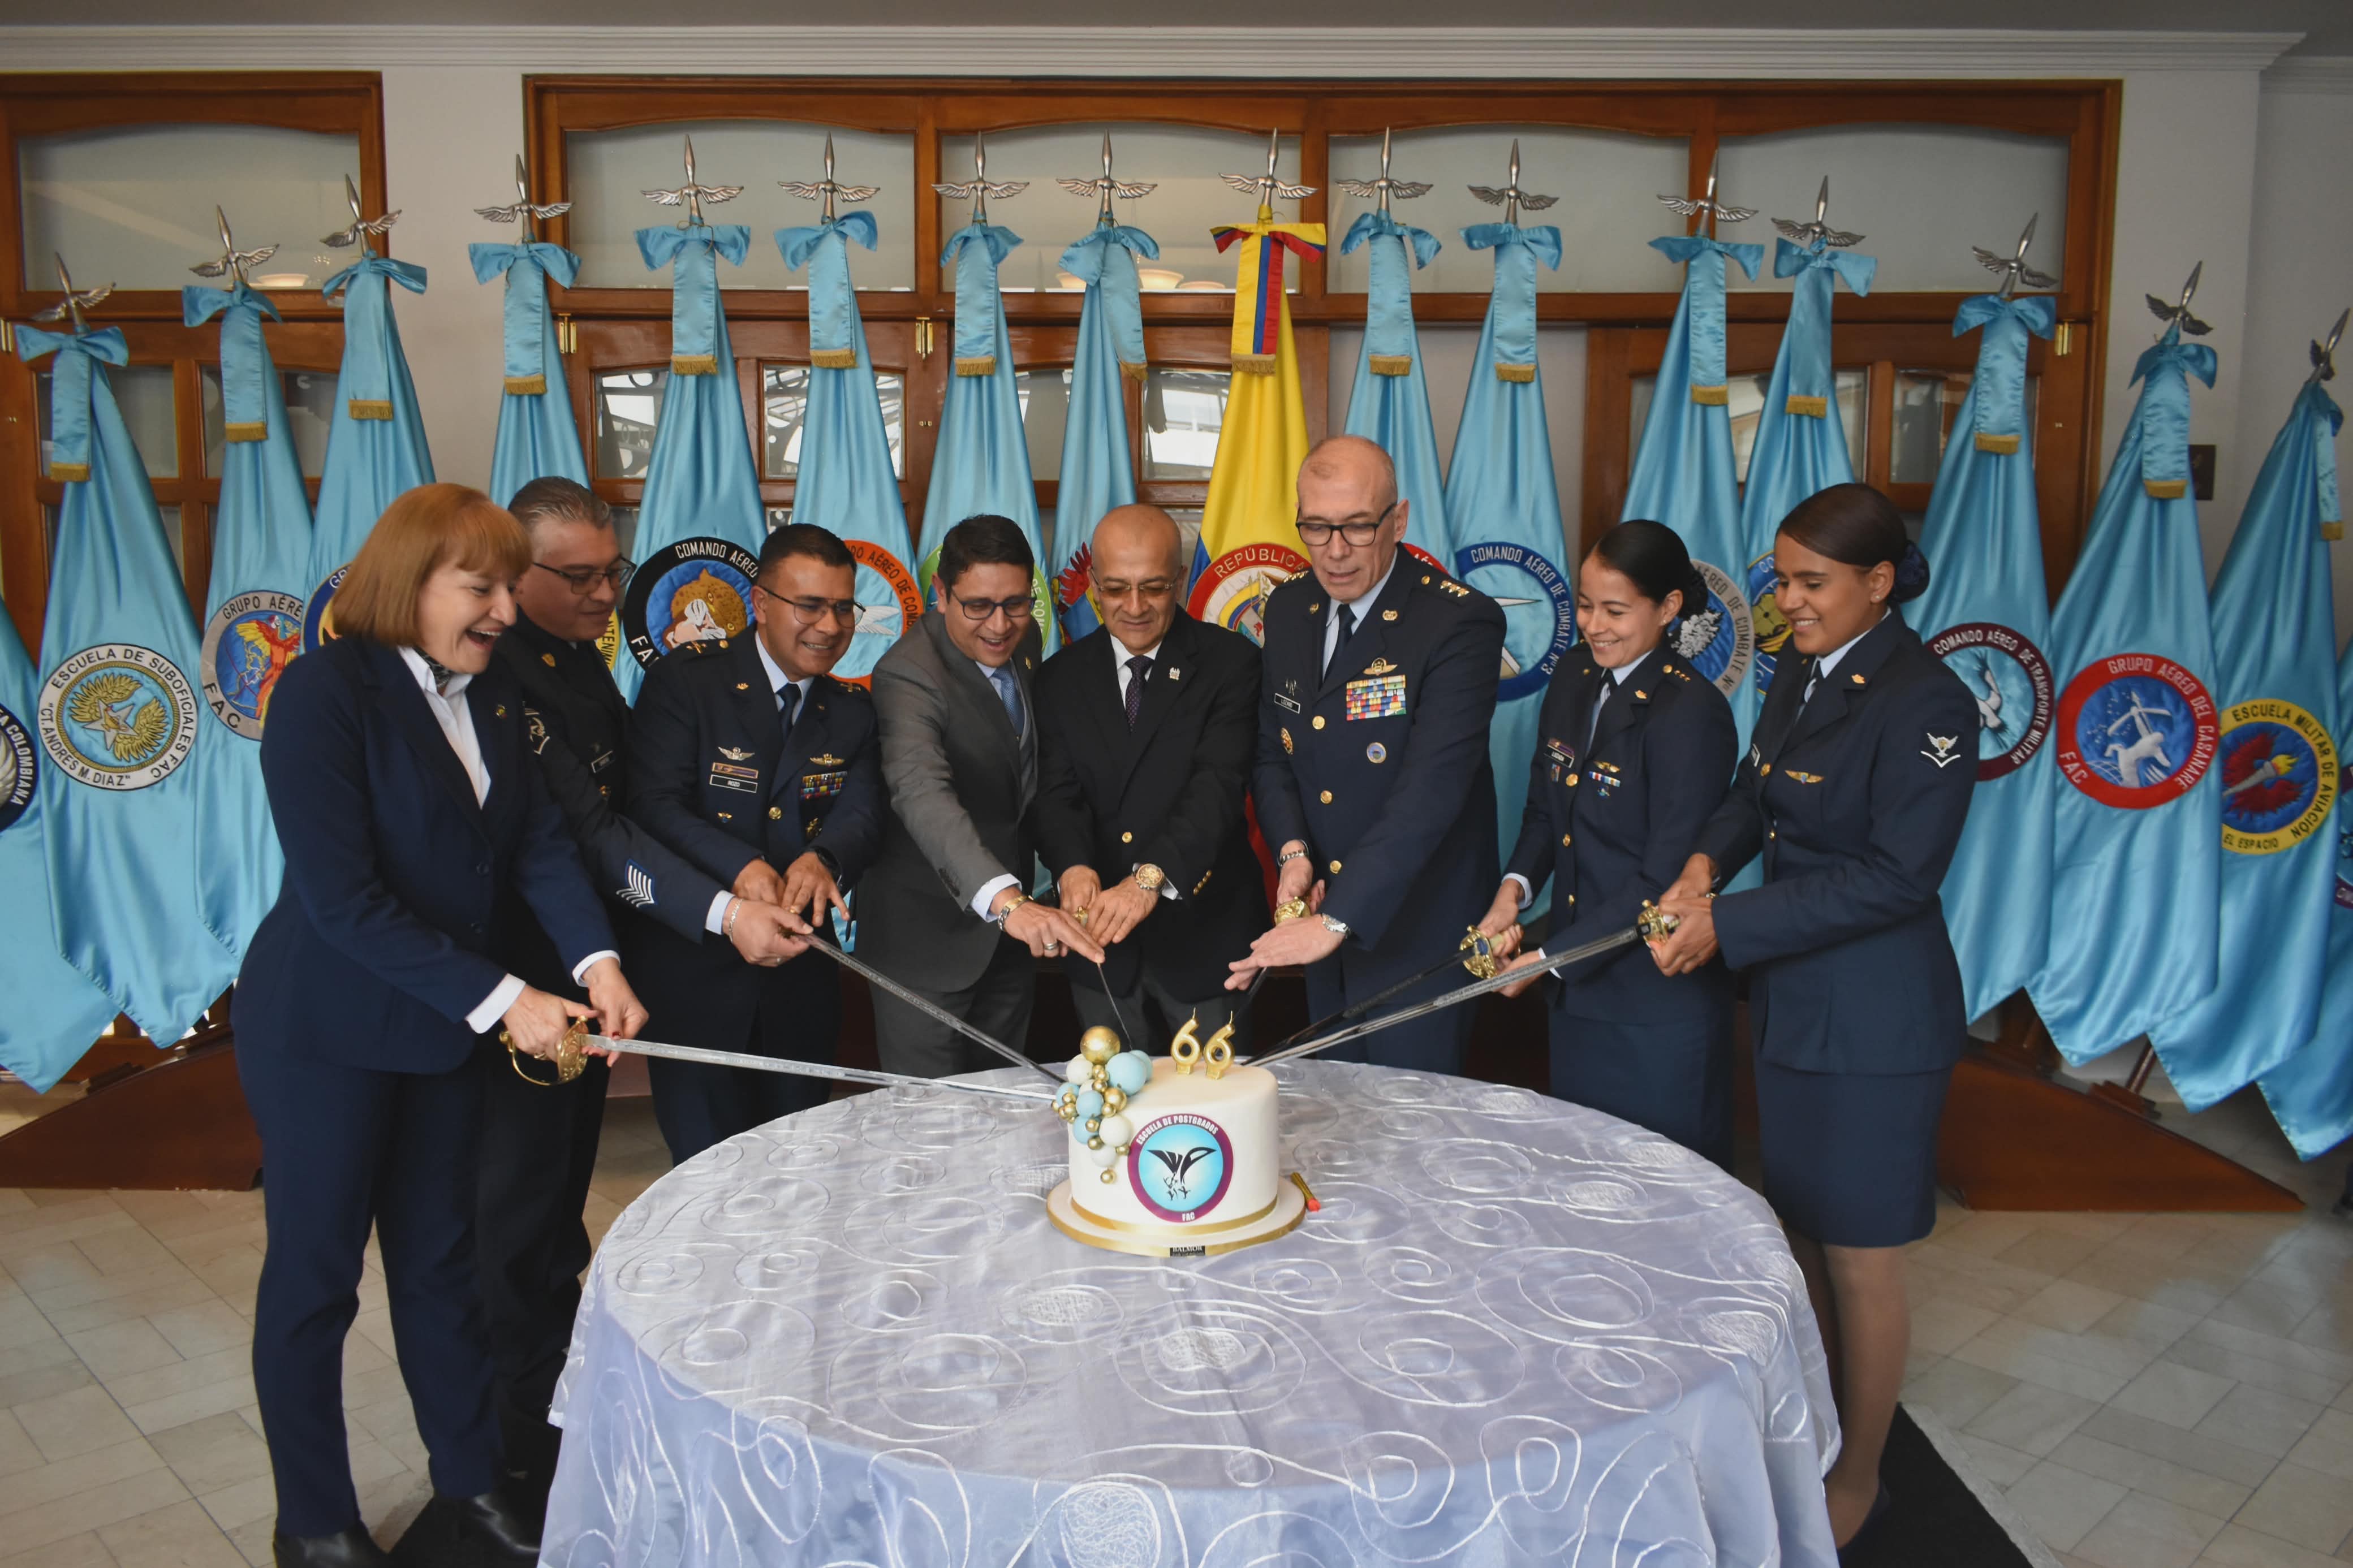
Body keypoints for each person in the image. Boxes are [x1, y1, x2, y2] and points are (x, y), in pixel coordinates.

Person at [235, 483, 646, 1568]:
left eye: (512, 586)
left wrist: (595, 961)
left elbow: (540, 844)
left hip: (441, 1034)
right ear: (409, 580)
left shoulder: (495, 693)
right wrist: (508, 997)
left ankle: (469, 1485)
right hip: (325, 1033)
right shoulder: (324, 693)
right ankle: (313, 1518)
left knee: (441, 1267)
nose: (507, 609)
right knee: (317, 1278)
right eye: (484, 586)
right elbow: (343, 900)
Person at [1646, 482, 1976, 1550]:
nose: (1787, 601)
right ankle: (1815, 1432)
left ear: (1879, 583)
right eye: (1781, 579)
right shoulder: (1800, 667)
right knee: (1795, 1233)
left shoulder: (1929, 702)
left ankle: (1862, 1478)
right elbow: (1756, 790)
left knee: (1860, 1253)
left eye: (1812, 582)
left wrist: (1725, 923)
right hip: (1793, 994)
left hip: (1876, 1016)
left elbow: (1896, 876)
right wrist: (1704, 864)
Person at [479, 478, 805, 1500]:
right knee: (515, 1214)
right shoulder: (507, 677)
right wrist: (717, 911)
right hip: (529, 977)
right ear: (512, 574)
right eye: (577, 576)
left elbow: (639, 805)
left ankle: (547, 1412)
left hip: (593, 968)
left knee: (555, 1208)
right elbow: (592, 828)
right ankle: (505, 1449)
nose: (605, 592)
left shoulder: (577, 659)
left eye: (612, 571)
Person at [1226, 436, 1505, 1074]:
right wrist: (1293, 853)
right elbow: (1272, 750)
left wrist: (1337, 920)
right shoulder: (1289, 606)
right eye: (1316, 527)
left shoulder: (1458, 623)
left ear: (1398, 520)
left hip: (1417, 929)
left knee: (1413, 1126)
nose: (1334, 550)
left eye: (1355, 526)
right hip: (1323, 916)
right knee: (1337, 1114)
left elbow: (1430, 792)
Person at [1476, 520, 1738, 1163]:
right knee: (1584, 1182)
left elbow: (1660, 879)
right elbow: (1545, 810)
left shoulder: (1690, 714)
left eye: (1615, 610)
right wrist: (1511, 894)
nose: (1594, 625)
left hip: (1652, 1006)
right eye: (1586, 605)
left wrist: (1545, 960)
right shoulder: (1574, 676)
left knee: (1662, 1195)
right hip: (1576, 994)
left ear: (1668, 608)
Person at [625, 522, 887, 1160]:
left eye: (842, 607)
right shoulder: (687, 683)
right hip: (697, 980)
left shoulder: (850, 710)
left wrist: (824, 858)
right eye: (809, 606)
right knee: (706, 1176)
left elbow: (866, 810)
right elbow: (650, 804)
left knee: (795, 1174)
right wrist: (740, 865)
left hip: (800, 988)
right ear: (761, 604)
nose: (829, 626)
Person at [861, 514, 1102, 1077]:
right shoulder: (906, 676)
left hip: (1006, 946)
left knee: (1001, 1113)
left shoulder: (1028, 642)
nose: (999, 625)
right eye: (978, 606)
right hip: (925, 946)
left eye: (1016, 603)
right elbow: (922, 793)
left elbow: (1030, 781)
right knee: (929, 1129)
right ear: (941, 593)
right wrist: (1007, 901)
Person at [1036, 504, 1266, 1050]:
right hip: (1100, 947)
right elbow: (1054, 792)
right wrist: (1071, 866)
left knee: (1217, 1117)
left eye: (1154, 588)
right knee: (1113, 1110)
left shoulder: (1233, 663)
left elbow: (1217, 787)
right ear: (1092, 585)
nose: (1134, 608)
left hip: (1207, 940)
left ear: (1181, 581)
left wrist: (1148, 880)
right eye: (1116, 589)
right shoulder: (1058, 677)